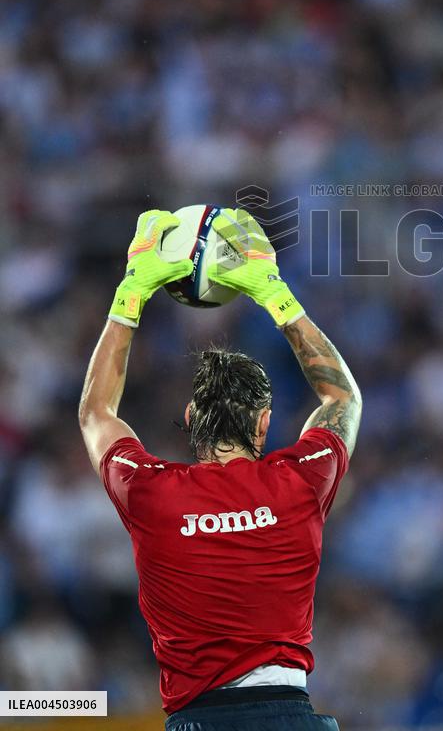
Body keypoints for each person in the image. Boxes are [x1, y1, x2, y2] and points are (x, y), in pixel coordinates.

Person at [78, 209, 362, 731]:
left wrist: (131, 293)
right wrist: (274, 293)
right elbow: (341, 396)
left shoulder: (151, 494)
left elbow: (97, 414)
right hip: (291, 719)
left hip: (198, 722)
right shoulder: (301, 480)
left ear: (190, 419)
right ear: (264, 424)